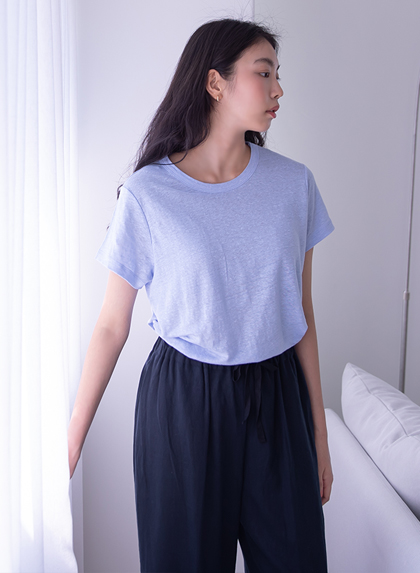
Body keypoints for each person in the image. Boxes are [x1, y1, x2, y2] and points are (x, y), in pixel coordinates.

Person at [68, 17, 334, 573]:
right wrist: (70, 443)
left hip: (278, 396)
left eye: (277, 74)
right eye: (264, 73)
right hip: (183, 404)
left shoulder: (294, 185)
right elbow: (112, 325)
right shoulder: (148, 194)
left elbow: (302, 314)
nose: (279, 89)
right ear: (216, 82)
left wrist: (318, 434)